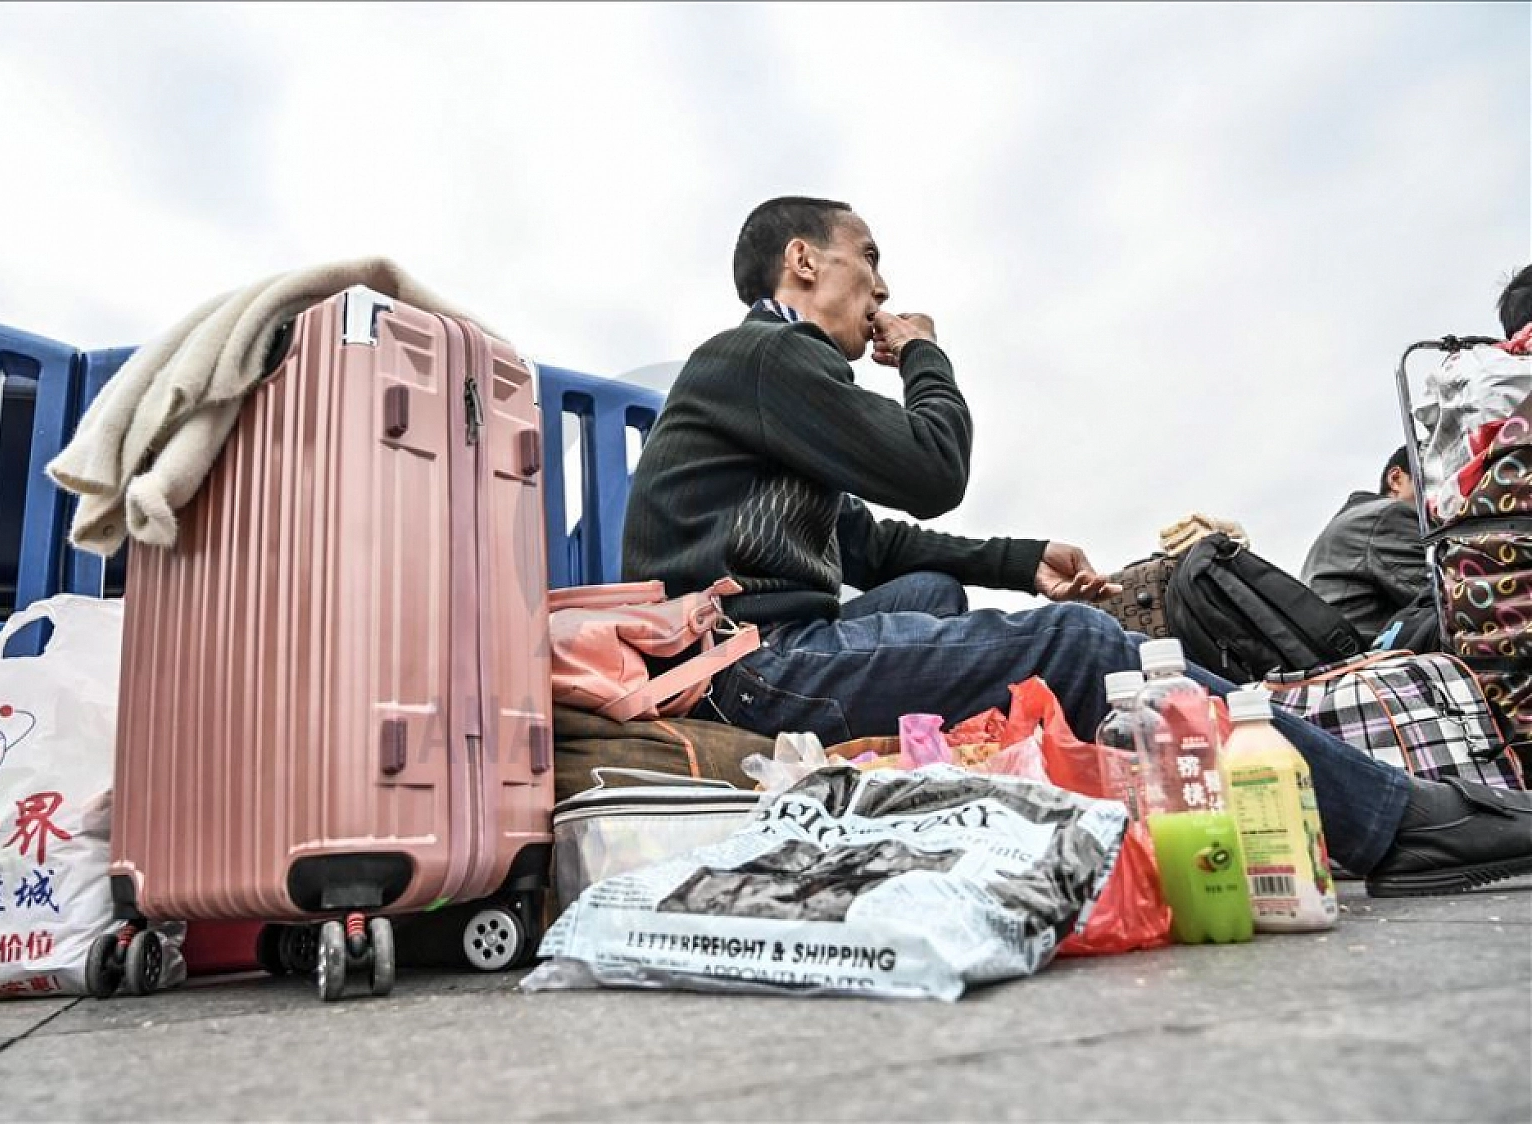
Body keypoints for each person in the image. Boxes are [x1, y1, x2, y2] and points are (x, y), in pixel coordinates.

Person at [621, 196, 1532, 898]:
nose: (886, 289)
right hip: (751, 665)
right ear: (803, 260)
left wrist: (1022, 563)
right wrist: (927, 359)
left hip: (754, 647)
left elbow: (871, 540)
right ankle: (1395, 823)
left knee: (936, 590)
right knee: (1085, 647)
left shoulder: (770, 385)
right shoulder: (770, 359)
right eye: (869, 259)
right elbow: (933, 469)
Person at [1300, 446, 1428, 645]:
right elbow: (1445, 598)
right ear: (1396, 479)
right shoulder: (1389, 516)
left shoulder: (1358, 519)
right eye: (1435, 482)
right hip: (1369, 661)